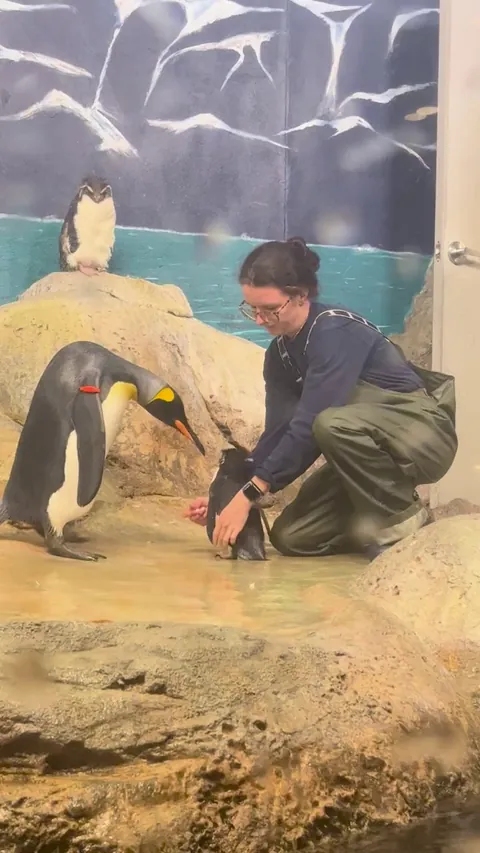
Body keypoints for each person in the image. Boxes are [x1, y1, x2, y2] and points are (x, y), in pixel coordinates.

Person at [184, 237, 457, 560]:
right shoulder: (279, 355)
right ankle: (374, 524)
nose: (259, 320)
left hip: (422, 435)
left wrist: (251, 493)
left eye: (270, 309)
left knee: (328, 423)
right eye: (252, 309)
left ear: (301, 296)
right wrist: (229, 496)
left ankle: (406, 524)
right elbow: (279, 433)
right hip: (365, 452)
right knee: (292, 537)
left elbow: (311, 423)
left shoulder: (333, 330)